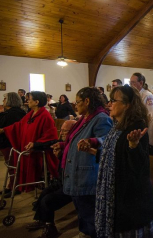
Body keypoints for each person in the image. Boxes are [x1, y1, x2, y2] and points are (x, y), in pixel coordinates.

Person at [92, 85, 153, 237]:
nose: (110, 104)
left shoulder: (137, 127)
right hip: (117, 195)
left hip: (131, 202)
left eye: (114, 100)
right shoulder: (117, 127)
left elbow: (140, 168)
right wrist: (95, 151)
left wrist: (133, 146)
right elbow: (114, 155)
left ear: (127, 105)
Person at [50, 87, 113, 238]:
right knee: (81, 208)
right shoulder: (86, 118)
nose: (75, 105)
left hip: (88, 174)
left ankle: (92, 234)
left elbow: (107, 141)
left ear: (87, 101)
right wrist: (64, 145)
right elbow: (76, 141)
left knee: (89, 211)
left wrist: (92, 141)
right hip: (77, 172)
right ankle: (85, 232)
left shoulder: (101, 118)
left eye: (78, 102)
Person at [0, 91, 59, 192]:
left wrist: (35, 144)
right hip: (27, 149)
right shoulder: (31, 113)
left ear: (36, 102)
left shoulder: (45, 116)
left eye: (29, 98)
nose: (27, 100)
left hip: (37, 151)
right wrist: (3, 130)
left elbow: (50, 136)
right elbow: (18, 125)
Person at [26, 120, 77, 238]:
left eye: (65, 131)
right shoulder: (63, 142)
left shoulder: (74, 144)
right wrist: (34, 144)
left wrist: (60, 155)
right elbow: (50, 143)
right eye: (62, 130)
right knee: (44, 193)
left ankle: (51, 228)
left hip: (71, 183)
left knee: (48, 200)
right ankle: (42, 221)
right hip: (62, 180)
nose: (62, 133)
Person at [0, 92, 26, 197]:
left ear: (10, 100)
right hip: (6, 143)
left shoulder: (15, 113)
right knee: (11, 166)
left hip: (10, 143)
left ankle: (14, 187)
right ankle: (11, 186)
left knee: (13, 166)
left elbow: (3, 125)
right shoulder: (10, 112)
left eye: (5, 99)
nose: (3, 101)